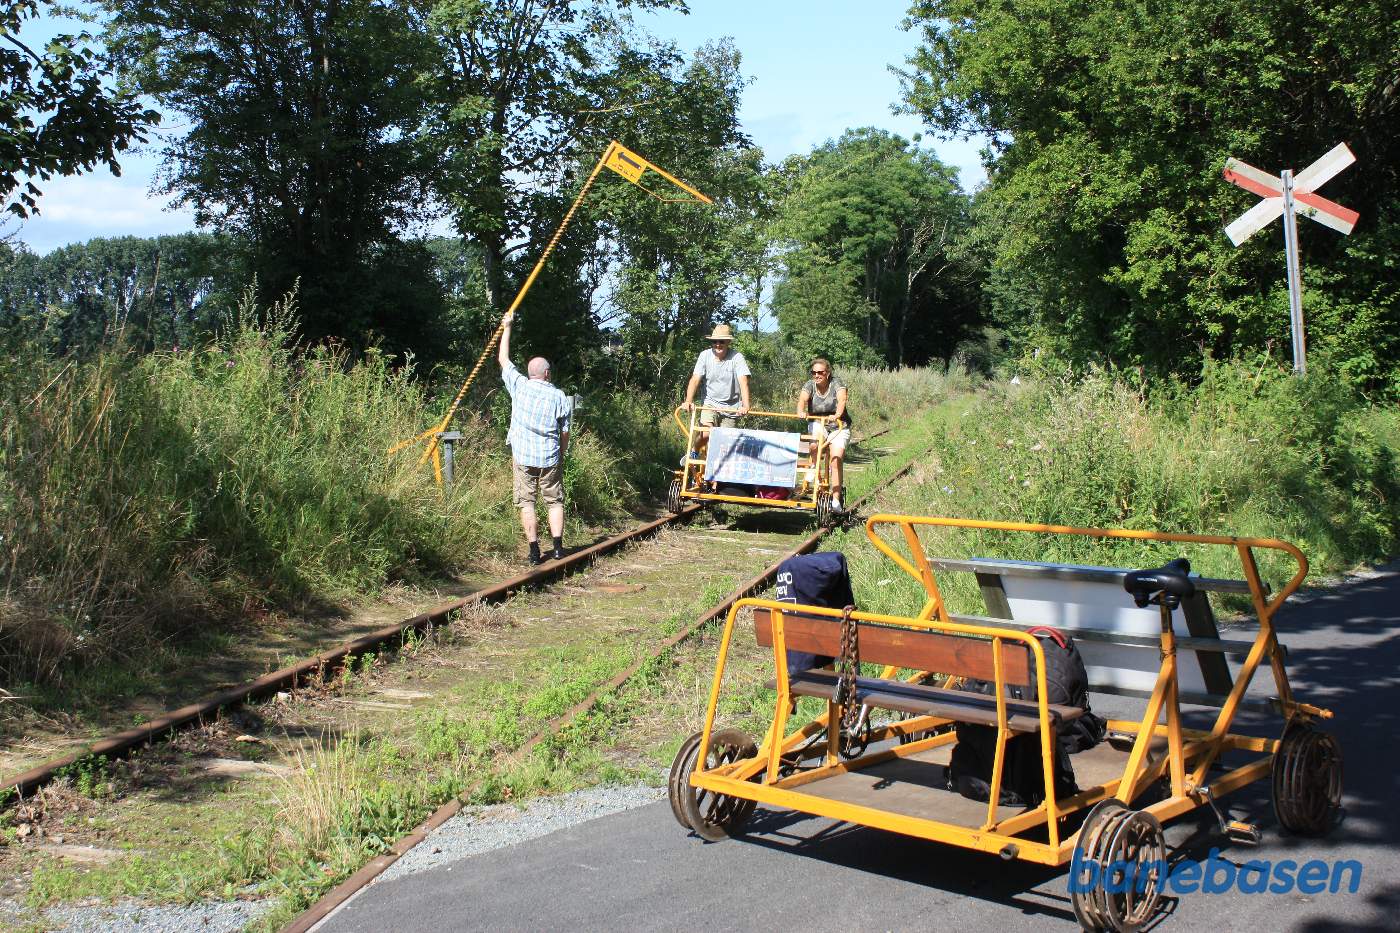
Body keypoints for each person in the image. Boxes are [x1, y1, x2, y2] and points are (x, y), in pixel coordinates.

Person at [498, 314, 571, 565]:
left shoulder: (519, 386)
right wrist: (562, 452)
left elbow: (503, 359)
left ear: (531, 373)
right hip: (550, 456)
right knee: (554, 501)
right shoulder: (560, 397)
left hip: (523, 456)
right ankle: (559, 549)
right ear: (547, 373)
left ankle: (533, 552)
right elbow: (565, 431)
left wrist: (507, 327)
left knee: (526, 502)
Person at [798, 357, 850, 512]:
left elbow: (842, 400)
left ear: (827, 373)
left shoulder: (837, 383)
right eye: (813, 372)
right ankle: (814, 467)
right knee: (815, 444)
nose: (816, 375)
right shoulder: (810, 385)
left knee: (835, 459)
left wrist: (837, 414)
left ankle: (835, 501)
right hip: (818, 421)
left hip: (838, 425)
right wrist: (801, 411)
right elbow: (802, 399)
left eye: (820, 372)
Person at [682, 323, 751, 428]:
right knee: (705, 434)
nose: (718, 344)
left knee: (724, 441)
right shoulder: (704, 355)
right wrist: (688, 401)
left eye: (721, 341)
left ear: (728, 342)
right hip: (710, 403)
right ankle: (698, 444)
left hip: (730, 408)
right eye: (715, 341)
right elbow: (695, 379)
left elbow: (744, 382)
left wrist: (745, 406)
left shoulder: (737, 357)